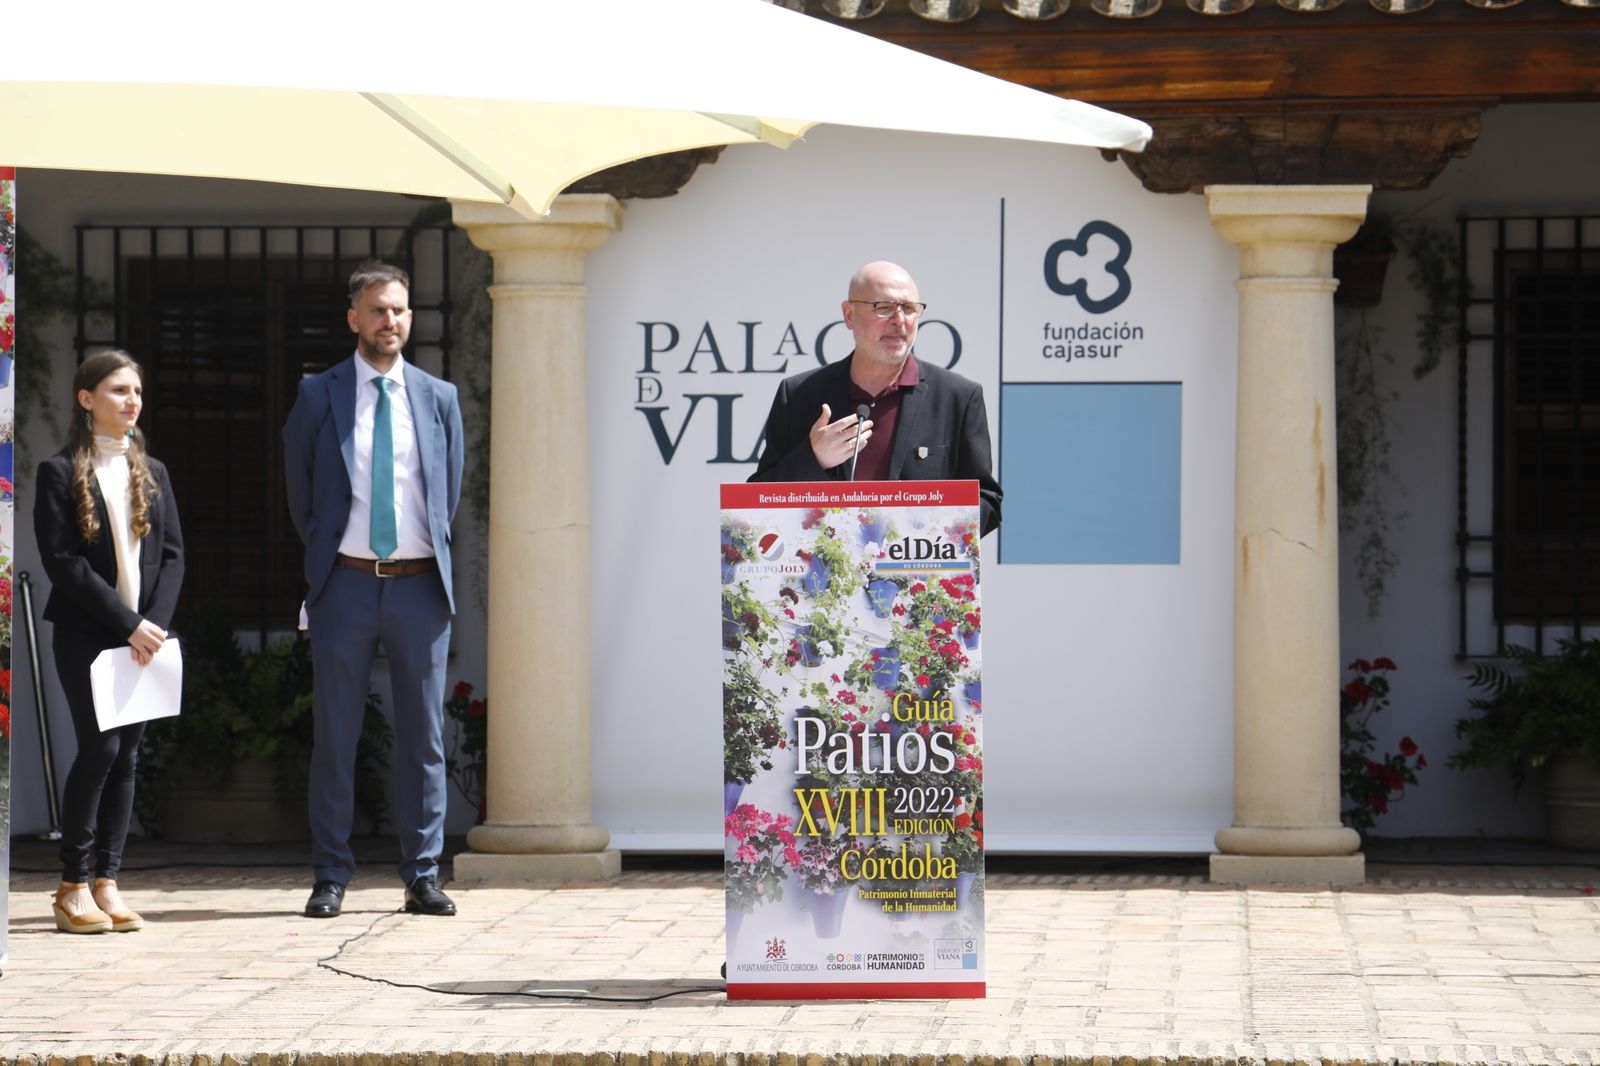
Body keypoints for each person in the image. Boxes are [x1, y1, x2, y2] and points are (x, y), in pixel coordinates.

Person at [282, 260, 464, 919]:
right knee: (336, 735)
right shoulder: (317, 395)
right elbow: (301, 494)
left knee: (424, 739)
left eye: (400, 310)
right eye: (379, 310)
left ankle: (422, 875)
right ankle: (330, 874)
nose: (391, 320)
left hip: (419, 587)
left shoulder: (439, 397)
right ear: (354, 319)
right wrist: (326, 567)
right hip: (347, 586)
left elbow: (447, 494)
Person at [35, 349, 185, 934]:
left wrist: (153, 627)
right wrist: (127, 624)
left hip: (144, 639)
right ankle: (72, 885)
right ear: (86, 398)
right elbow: (64, 563)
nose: (132, 400)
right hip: (88, 634)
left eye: (137, 391)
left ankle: (107, 882)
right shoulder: (58, 472)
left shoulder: (154, 472)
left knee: (127, 758)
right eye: (119, 390)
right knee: (99, 749)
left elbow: (172, 558)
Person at [749, 260, 1001, 535]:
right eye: (884, 307)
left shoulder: (958, 398)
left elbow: (986, 501)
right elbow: (756, 502)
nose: (899, 321)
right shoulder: (799, 395)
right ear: (849, 315)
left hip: (916, 561)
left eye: (909, 308)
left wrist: (924, 537)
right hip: (822, 562)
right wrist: (813, 458)